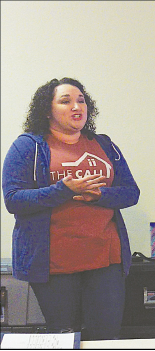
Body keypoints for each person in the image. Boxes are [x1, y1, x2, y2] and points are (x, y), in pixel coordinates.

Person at [2, 77, 140, 340]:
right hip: (54, 265)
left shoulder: (104, 144)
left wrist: (99, 194)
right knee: (64, 338)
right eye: (65, 101)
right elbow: (14, 199)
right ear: (47, 109)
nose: (76, 106)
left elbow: (131, 193)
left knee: (106, 337)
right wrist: (63, 190)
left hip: (106, 260)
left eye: (81, 100)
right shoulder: (28, 146)